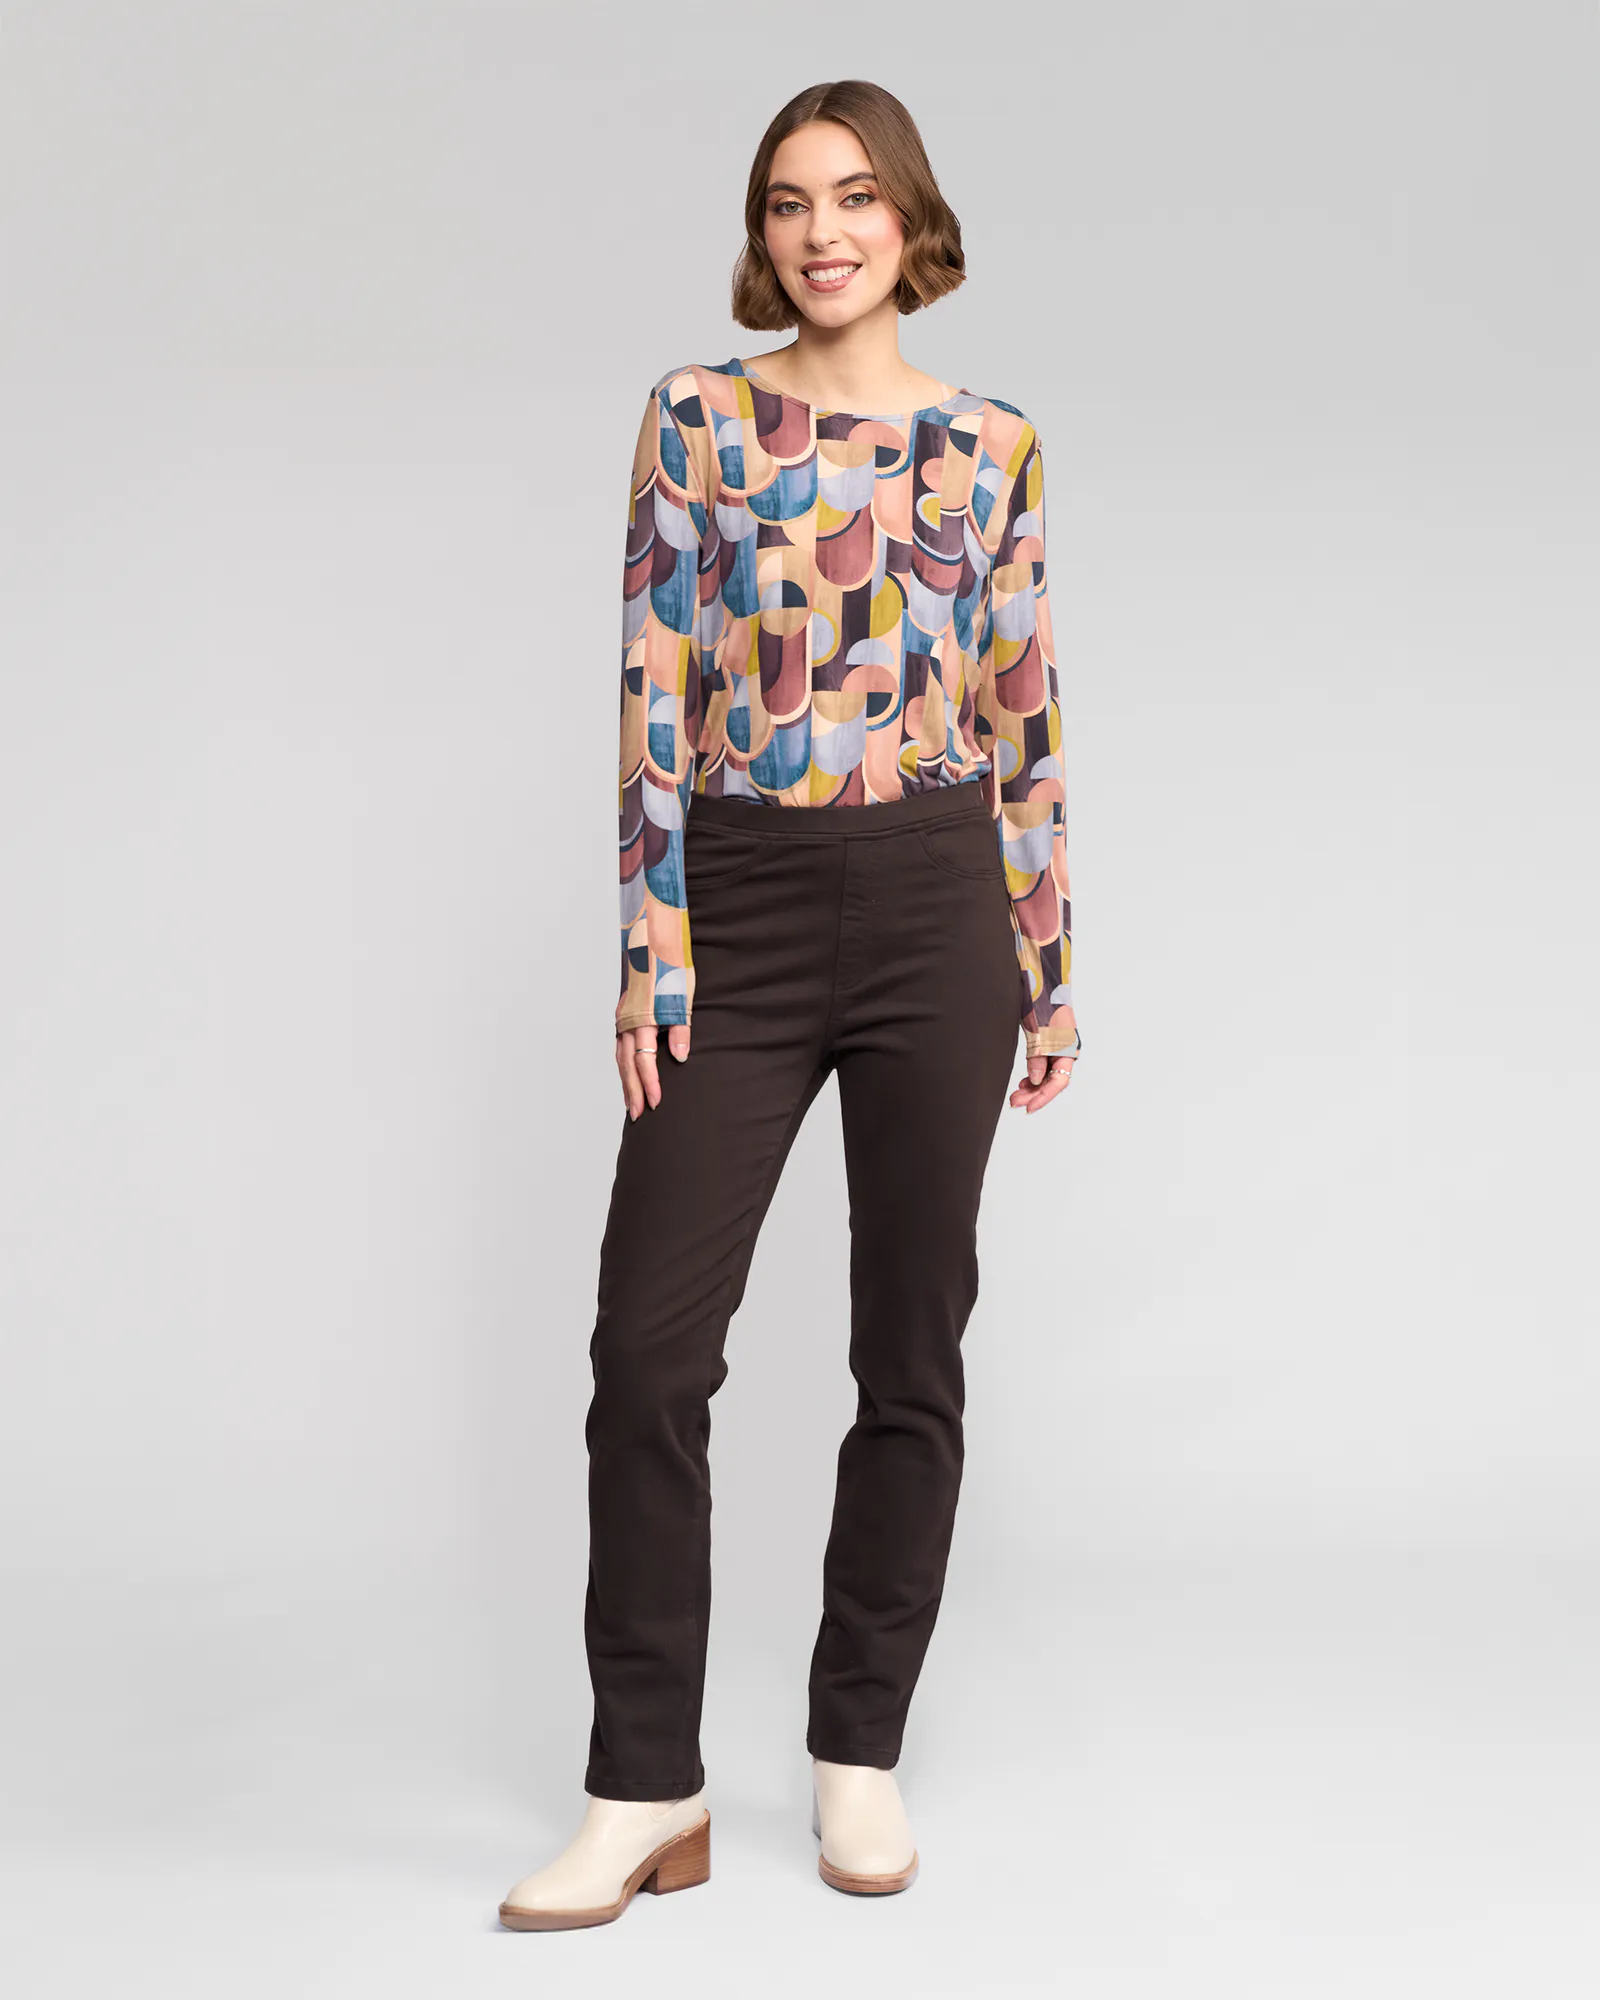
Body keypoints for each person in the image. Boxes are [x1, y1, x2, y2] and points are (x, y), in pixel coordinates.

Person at [498, 76, 1080, 1932]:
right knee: (648, 1357)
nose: (822, 232)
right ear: (760, 235)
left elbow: (1020, 706)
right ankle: (641, 1787)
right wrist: (649, 945)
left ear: (911, 219)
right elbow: (650, 686)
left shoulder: (994, 445)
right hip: (737, 908)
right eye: (786, 202)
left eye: (854, 197)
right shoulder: (697, 418)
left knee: (911, 1349)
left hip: (935, 907)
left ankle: (857, 1751)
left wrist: (1048, 958)